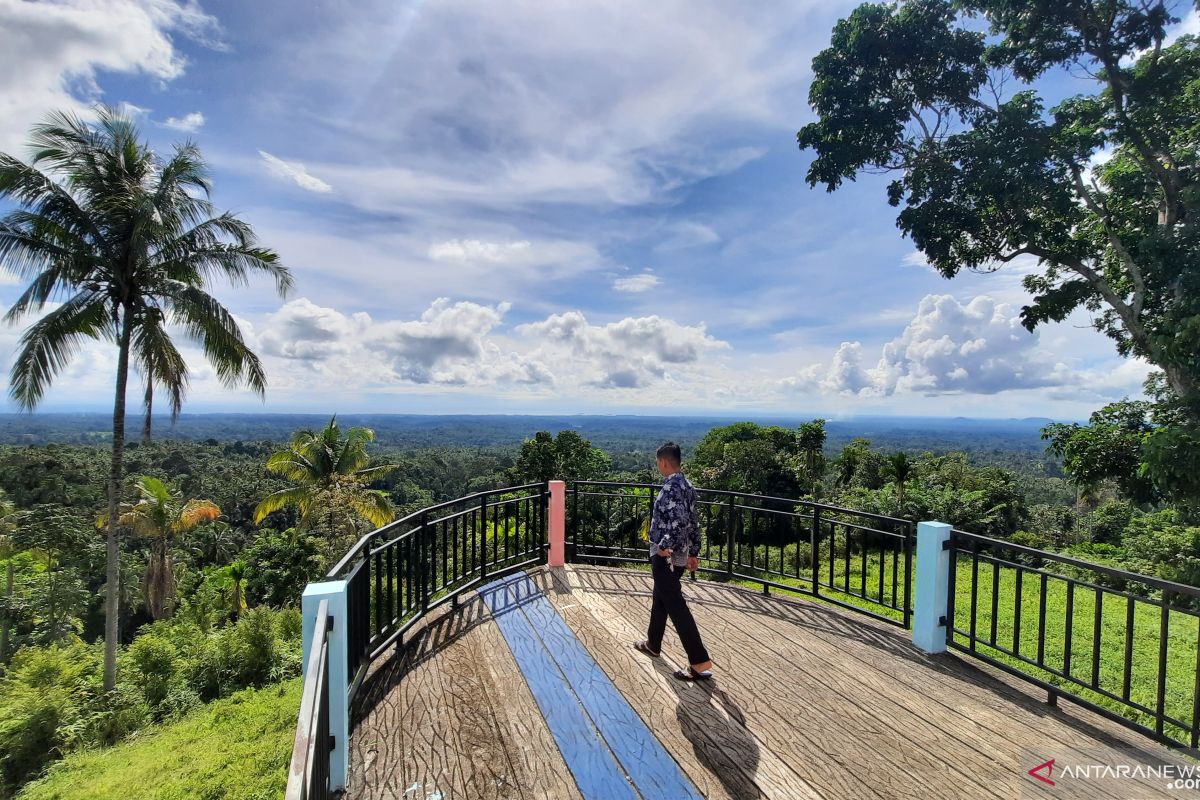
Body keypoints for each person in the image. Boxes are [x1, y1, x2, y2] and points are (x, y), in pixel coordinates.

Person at [634, 442, 714, 681]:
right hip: (678, 555)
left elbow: (678, 521)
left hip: (666, 556)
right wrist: (693, 551)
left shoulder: (671, 488)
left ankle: (699, 661)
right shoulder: (687, 486)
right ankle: (653, 644)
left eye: (658, 463)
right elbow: (693, 522)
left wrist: (664, 546)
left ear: (664, 462)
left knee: (676, 606)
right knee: (662, 598)